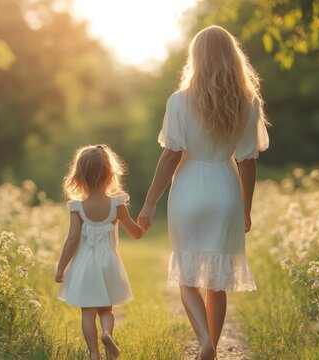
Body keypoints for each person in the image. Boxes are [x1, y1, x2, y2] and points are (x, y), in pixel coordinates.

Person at [138, 25, 269, 360]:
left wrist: (150, 203)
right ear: (233, 57)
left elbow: (170, 155)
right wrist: (246, 209)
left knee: (187, 275)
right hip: (226, 190)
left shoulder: (179, 101)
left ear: (195, 57)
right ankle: (212, 341)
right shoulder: (247, 101)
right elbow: (248, 161)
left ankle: (205, 343)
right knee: (218, 280)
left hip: (189, 191)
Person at [55, 144, 145, 360]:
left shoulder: (77, 207)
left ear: (79, 176)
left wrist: (61, 268)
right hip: (109, 264)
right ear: (110, 174)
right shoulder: (117, 204)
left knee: (88, 312)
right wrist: (143, 225)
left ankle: (94, 354)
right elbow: (135, 233)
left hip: (85, 266)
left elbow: (72, 240)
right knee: (106, 310)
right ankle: (107, 334)